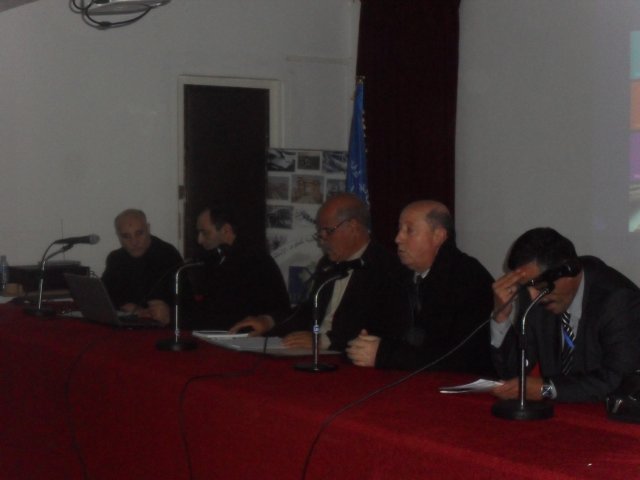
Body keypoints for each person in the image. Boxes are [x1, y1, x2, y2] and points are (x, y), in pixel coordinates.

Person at [230, 193, 411, 353]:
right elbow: (309, 311)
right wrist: (268, 321)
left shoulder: (387, 268)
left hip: (350, 360)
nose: (322, 239)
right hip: (313, 353)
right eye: (320, 232)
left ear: (353, 227)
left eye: (328, 231)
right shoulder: (327, 264)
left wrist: (324, 341)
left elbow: (382, 329)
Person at [490, 227, 640, 402]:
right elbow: (514, 375)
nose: (533, 297)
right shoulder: (536, 295)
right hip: (561, 412)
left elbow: (619, 380)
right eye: (526, 286)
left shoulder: (618, 300)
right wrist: (501, 316)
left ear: (569, 271)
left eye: (540, 286)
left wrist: (547, 389)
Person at [346, 200, 495, 374]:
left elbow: (460, 357)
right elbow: (379, 330)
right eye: (399, 229)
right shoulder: (396, 274)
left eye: (409, 230)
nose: (397, 239)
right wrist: (364, 344)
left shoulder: (469, 278)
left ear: (438, 236)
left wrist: (384, 354)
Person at [183, 206, 290, 331]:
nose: (199, 240)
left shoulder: (255, 260)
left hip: (247, 336)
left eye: (205, 232)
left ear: (226, 230)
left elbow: (278, 308)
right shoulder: (215, 259)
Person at [102, 209, 183, 324]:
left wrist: (166, 312)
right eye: (126, 236)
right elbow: (104, 296)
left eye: (139, 233)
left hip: (162, 327)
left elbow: (185, 303)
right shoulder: (115, 258)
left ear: (148, 228)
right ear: (118, 236)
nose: (134, 242)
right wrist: (126, 306)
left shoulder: (167, 255)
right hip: (127, 325)